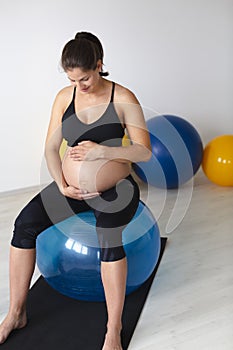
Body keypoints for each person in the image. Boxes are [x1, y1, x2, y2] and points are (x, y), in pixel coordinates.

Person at [0, 31, 151, 350]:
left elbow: (143, 151)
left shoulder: (123, 97)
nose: (79, 86)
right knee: (23, 226)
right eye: (72, 79)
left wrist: (103, 152)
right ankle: (16, 313)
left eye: (84, 78)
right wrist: (63, 185)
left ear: (99, 65)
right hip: (71, 189)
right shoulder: (63, 97)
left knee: (108, 240)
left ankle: (113, 329)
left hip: (116, 189)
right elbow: (52, 147)